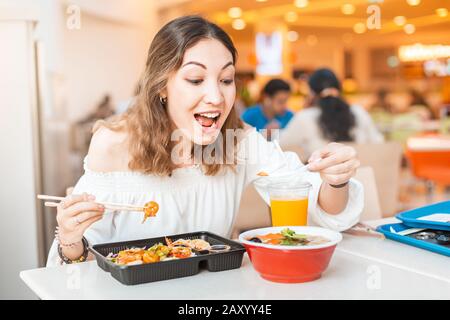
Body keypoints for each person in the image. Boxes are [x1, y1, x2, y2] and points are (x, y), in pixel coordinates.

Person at [47, 16, 363, 266]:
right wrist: (70, 239)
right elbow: (83, 259)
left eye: (226, 80)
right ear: (162, 86)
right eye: (196, 80)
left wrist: (335, 181)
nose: (215, 97)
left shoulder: (238, 142)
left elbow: (316, 208)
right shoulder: (113, 145)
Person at [280, 68, 384, 159]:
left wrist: (268, 131)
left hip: (323, 180)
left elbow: (280, 143)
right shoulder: (358, 112)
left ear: (311, 93)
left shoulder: (305, 117)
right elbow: (379, 143)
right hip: (362, 178)